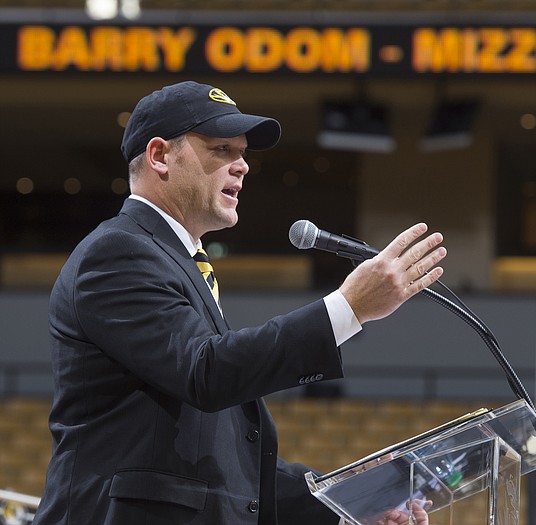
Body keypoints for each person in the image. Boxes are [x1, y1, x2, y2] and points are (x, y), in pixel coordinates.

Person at [32, 81, 446, 525]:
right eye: (221, 149)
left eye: (243, 152)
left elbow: (233, 472)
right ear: (159, 156)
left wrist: (351, 501)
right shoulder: (117, 252)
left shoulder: (180, 264)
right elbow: (207, 372)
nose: (242, 165)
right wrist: (349, 307)